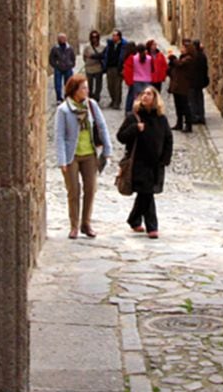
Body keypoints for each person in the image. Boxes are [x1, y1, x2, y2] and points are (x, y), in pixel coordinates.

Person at [54, 73, 113, 239]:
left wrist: (107, 150)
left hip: (90, 154)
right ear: (74, 90)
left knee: (90, 189)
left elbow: (102, 127)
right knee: (73, 191)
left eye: (87, 87)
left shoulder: (91, 106)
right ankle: (74, 225)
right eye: (83, 88)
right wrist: (61, 160)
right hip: (71, 155)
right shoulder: (63, 110)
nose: (87, 90)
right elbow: (59, 136)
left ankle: (86, 223)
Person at [117, 87, 173, 239]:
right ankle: (152, 227)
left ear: (155, 98)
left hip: (155, 163)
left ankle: (134, 219)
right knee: (147, 192)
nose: (145, 96)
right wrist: (135, 129)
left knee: (144, 193)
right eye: (143, 94)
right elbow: (121, 136)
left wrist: (165, 158)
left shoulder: (161, 119)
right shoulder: (133, 117)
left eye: (149, 94)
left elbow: (168, 138)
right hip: (138, 162)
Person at [167, 41, 195, 132]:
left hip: (183, 86)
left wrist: (173, 58)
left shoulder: (189, 58)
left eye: (183, 48)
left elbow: (180, 64)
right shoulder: (182, 57)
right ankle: (179, 123)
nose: (181, 49)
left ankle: (188, 124)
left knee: (185, 106)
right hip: (177, 85)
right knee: (178, 105)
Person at [123, 43, 154, 114]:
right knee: (146, 97)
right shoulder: (149, 58)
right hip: (147, 80)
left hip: (136, 80)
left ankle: (136, 112)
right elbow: (152, 69)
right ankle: (145, 112)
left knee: (137, 98)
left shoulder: (133, 58)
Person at [48, 33, 76, 105]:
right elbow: (51, 59)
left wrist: (71, 65)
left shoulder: (69, 48)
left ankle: (68, 97)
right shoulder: (55, 48)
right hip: (58, 69)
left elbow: (73, 57)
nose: (62, 40)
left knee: (68, 84)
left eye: (63, 38)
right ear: (58, 39)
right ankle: (59, 98)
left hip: (68, 68)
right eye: (60, 38)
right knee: (58, 84)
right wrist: (55, 65)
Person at [103, 29, 128, 109]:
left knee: (117, 86)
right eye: (113, 35)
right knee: (110, 86)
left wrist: (123, 67)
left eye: (115, 35)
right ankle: (113, 100)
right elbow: (104, 54)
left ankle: (117, 102)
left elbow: (125, 57)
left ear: (119, 37)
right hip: (109, 67)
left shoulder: (123, 46)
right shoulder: (109, 45)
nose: (114, 37)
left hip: (118, 68)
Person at [188, 39, 209, 124]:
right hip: (200, 82)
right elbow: (205, 69)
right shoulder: (202, 56)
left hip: (192, 82)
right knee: (200, 99)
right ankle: (201, 116)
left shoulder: (191, 57)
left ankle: (194, 117)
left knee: (192, 99)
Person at [82, 30, 106, 102]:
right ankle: (90, 96)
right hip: (89, 68)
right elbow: (84, 57)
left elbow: (103, 56)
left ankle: (97, 96)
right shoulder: (87, 47)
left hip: (98, 68)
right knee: (89, 84)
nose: (94, 39)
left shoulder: (103, 46)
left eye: (96, 37)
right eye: (93, 37)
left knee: (98, 84)